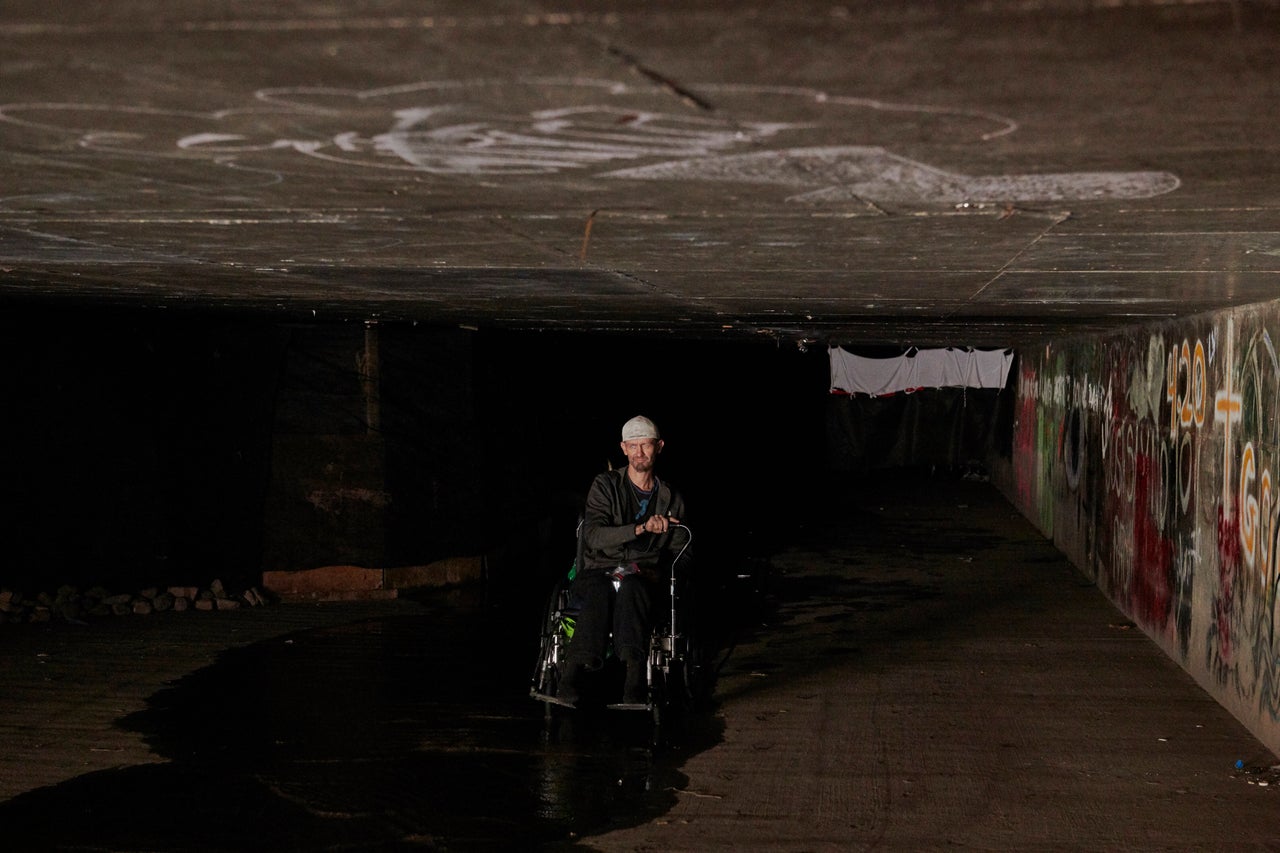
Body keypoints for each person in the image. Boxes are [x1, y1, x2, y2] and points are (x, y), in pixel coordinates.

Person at [556, 415, 690, 708]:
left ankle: (634, 680)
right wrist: (641, 528)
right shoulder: (605, 486)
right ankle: (571, 676)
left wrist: (669, 579)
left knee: (631, 586)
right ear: (623, 448)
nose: (639, 452)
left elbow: (683, 547)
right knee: (600, 589)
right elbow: (593, 536)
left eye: (645, 445)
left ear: (659, 447)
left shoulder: (670, 497)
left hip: (642, 574)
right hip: (599, 568)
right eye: (633, 446)